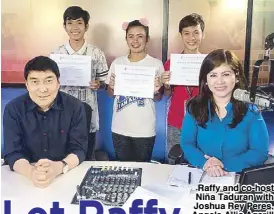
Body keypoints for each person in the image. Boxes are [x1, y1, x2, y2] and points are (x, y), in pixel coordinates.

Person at [180, 49, 269, 176]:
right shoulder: (194, 107)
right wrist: (205, 163)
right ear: (205, 80)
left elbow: (259, 152)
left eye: (226, 74)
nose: (220, 81)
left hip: (238, 176)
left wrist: (222, 165)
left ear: (237, 77)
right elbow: (187, 143)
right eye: (213, 75)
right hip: (201, 173)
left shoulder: (251, 111)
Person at [3, 56, 88, 187]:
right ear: (26, 85)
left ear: (58, 83)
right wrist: (32, 172)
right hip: (24, 177)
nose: (42, 89)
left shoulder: (75, 107)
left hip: (65, 174)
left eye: (48, 81)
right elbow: (13, 152)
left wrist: (58, 168)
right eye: (35, 82)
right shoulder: (13, 109)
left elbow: (79, 149)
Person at [51, 6, 108, 160]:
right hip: (62, 112)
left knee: (87, 156)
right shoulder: (57, 54)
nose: (75, 28)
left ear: (86, 26)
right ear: (64, 26)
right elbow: (50, 83)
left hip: (88, 111)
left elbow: (105, 84)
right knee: (62, 156)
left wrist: (99, 84)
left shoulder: (96, 53)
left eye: (79, 23)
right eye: (70, 23)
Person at [105, 19, 164, 162]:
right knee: (123, 169)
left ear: (147, 39)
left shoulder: (156, 64)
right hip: (120, 127)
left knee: (143, 168)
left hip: (145, 129)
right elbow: (110, 93)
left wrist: (156, 91)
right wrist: (111, 87)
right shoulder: (117, 63)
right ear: (126, 39)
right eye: (131, 36)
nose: (135, 40)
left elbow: (159, 97)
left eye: (140, 36)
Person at [161, 13, 205, 162]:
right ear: (181, 35)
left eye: (196, 33)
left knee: (201, 165)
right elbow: (167, 95)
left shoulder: (209, 64)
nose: (191, 38)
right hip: (176, 122)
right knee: (174, 164)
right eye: (186, 33)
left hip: (203, 123)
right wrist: (166, 85)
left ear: (202, 34)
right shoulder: (172, 63)